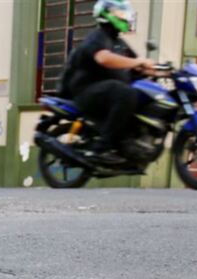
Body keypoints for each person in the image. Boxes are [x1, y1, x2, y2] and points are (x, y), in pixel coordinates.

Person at [58, 0, 156, 163]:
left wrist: (161, 71)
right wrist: (138, 62)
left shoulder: (119, 43)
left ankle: (129, 143)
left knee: (142, 94)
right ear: (106, 14)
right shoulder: (97, 37)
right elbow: (104, 58)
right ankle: (102, 148)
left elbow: (137, 64)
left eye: (124, 12)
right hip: (86, 91)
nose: (124, 16)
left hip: (106, 93)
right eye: (119, 12)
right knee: (125, 93)